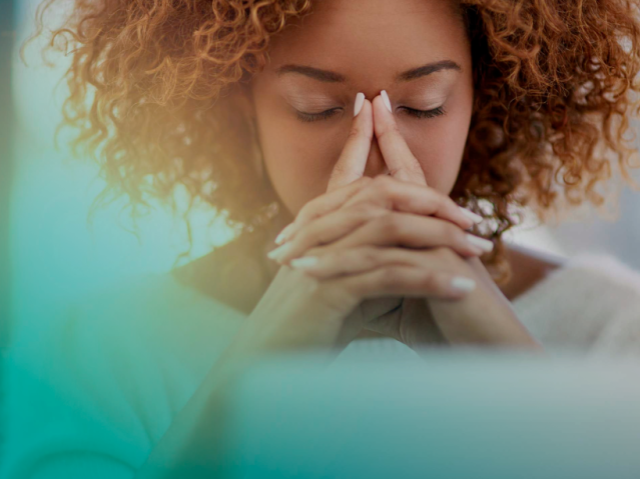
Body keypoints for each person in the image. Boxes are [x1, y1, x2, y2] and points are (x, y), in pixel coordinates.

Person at [4, 0, 640, 477]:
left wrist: (497, 352)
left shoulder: (614, 332)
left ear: (486, 97)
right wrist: (261, 361)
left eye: (422, 104)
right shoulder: (97, 355)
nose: (372, 159)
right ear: (237, 106)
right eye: (316, 107)